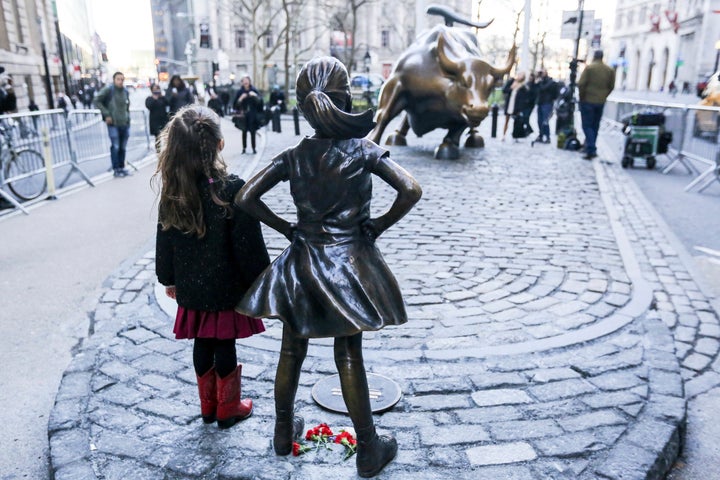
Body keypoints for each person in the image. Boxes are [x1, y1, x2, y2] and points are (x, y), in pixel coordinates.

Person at [234, 56, 422, 478]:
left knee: (291, 349)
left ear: (303, 107)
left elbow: (245, 196)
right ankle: (368, 448)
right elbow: (411, 189)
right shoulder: (363, 150)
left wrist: (287, 228)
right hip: (351, 265)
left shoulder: (294, 156)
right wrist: (377, 226)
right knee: (349, 353)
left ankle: (283, 434)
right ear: (345, 99)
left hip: (301, 263)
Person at [154, 105, 270, 430]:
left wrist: (168, 278)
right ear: (220, 144)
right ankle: (228, 407)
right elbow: (249, 248)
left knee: (202, 343)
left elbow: (164, 242)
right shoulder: (233, 188)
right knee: (224, 345)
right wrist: (261, 281)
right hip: (227, 287)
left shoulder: (173, 192)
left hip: (192, 287)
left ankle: (209, 406)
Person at [577, 49, 615, 160]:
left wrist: (582, 97)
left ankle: (591, 148)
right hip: (600, 101)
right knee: (595, 125)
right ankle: (591, 146)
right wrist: (604, 96)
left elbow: (581, 84)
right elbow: (611, 86)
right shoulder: (609, 70)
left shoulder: (589, 68)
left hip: (588, 100)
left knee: (587, 125)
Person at [94, 71, 131, 177]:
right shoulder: (109, 90)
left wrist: (128, 118)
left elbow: (127, 106)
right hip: (113, 123)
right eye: (118, 79)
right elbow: (97, 100)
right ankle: (116, 169)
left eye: (122, 79)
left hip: (124, 122)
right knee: (115, 146)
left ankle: (122, 167)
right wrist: (106, 114)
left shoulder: (125, 91)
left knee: (123, 147)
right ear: (114, 80)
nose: (120, 81)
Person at [232, 76, 263, 154]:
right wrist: (241, 98)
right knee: (244, 131)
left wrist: (254, 96)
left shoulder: (254, 90)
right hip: (243, 115)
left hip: (252, 114)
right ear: (242, 82)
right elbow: (235, 105)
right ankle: (244, 148)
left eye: (247, 81)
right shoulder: (240, 92)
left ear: (249, 82)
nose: (246, 82)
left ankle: (253, 148)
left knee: (253, 131)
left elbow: (260, 103)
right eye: (244, 81)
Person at [503, 72, 533, 141]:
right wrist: (511, 88)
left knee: (516, 121)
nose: (519, 76)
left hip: (516, 106)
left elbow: (525, 96)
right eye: (519, 75)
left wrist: (520, 108)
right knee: (506, 120)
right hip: (510, 104)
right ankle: (504, 135)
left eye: (521, 75)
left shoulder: (523, 86)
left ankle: (515, 136)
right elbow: (505, 90)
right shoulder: (511, 82)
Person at [533, 69, 558, 144]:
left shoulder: (550, 82)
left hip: (547, 103)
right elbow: (535, 89)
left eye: (542, 72)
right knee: (539, 120)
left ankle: (547, 137)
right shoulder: (540, 81)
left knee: (545, 121)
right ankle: (541, 135)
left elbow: (543, 88)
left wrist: (539, 81)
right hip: (540, 103)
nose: (541, 74)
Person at [145, 83, 169, 151]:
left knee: (166, 137)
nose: (156, 91)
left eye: (157, 89)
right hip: (155, 121)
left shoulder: (162, 98)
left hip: (163, 120)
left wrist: (162, 96)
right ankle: (158, 152)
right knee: (158, 138)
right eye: (154, 89)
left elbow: (168, 103)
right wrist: (154, 99)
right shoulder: (149, 99)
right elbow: (149, 106)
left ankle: (166, 151)